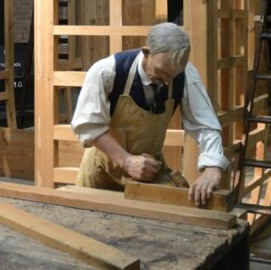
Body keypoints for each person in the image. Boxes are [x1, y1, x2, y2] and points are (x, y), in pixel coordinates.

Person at [71, 22, 229, 206]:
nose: (168, 82)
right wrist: (126, 161)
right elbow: (88, 125)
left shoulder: (185, 74)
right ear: (146, 53)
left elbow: (205, 125)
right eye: (162, 72)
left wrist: (212, 167)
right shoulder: (106, 71)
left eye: (174, 75)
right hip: (102, 173)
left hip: (148, 173)